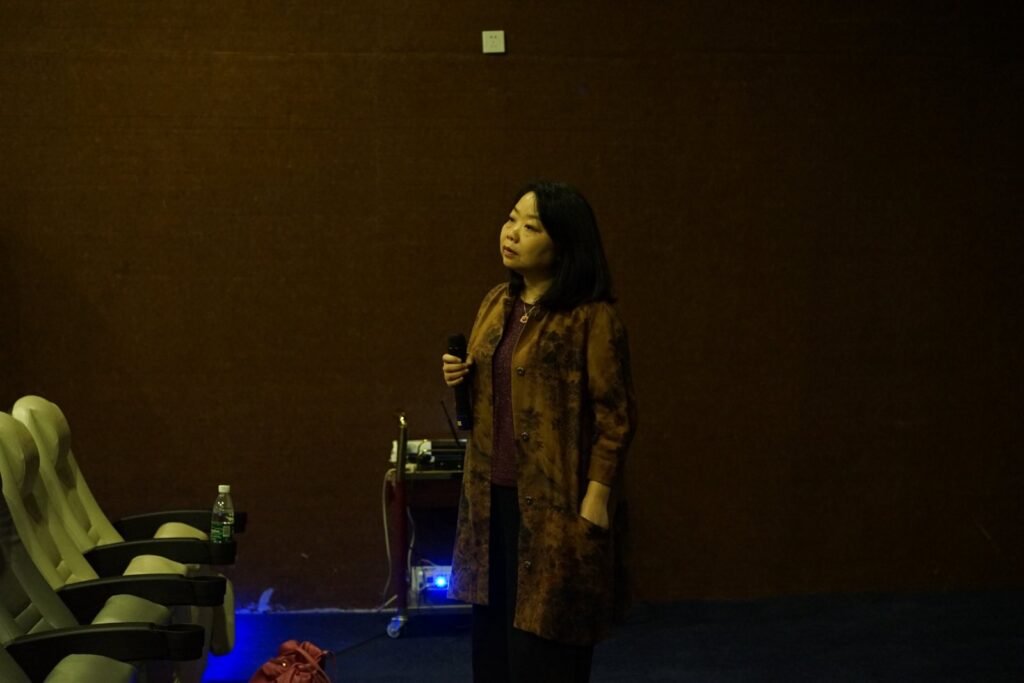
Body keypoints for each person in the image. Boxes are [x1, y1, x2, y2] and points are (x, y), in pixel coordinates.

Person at [442, 180, 637, 682]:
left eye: (531, 227)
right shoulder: (496, 302)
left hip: (556, 507)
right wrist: (462, 374)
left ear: (564, 244)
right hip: (492, 501)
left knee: (545, 649)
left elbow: (615, 417)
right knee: (494, 648)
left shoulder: (591, 318)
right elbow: (499, 386)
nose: (511, 233)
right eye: (511, 219)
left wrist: (595, 501)